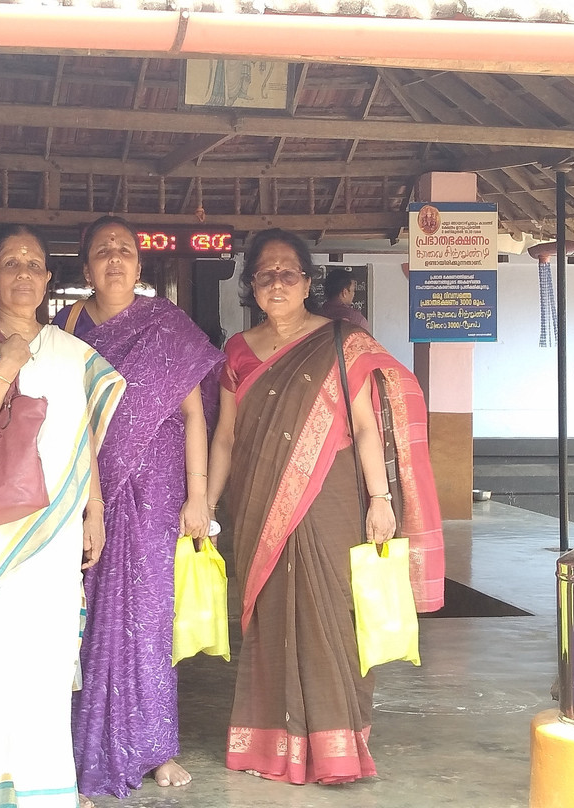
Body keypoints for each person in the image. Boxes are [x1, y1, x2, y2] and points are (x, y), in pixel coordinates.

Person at [206, 228, 445, 785]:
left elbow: (365, 429)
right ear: (251, 286)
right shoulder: (238, 352)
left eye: (289, 271)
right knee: (270, 618)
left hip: (330, 496)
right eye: (265, 273)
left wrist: (381, 499)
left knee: (333, 612)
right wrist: (208, 502)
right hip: (258, 500)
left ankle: (338, 747)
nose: (277, 281)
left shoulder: (340, 341)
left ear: (308, 281)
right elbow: (225, 437)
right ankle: (273, 745)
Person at [0, 224, 126, 808]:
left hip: (56, 530)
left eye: (33, 264)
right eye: (9, 263)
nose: (22, 273)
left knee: (42, 658)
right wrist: (9, 361)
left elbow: (84, 437)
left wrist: (94, 510)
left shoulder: (75, 354)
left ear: (48, 279)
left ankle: (41, 789)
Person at [55, 215, 224, 798]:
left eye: (124, 250)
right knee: (85, 618)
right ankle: (81, 746)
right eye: (102, 251)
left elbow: (194, 414)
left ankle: (155, 750)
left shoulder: (166, 326)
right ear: (86, 268)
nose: (115, 260)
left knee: (151, 620)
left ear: (139, 263)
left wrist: (198, 496)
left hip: (158, 496)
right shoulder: (66, 329)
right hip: (86, 492)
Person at [318, 267, 370, 331]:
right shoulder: (357, 320)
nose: (353, 294)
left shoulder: (315, 315)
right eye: (353, 290)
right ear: (344, 292)